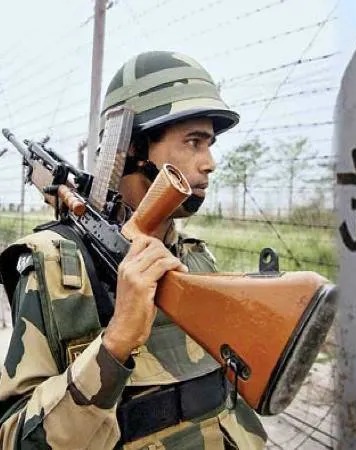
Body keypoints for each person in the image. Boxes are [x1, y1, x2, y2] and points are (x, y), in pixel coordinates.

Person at [0, 51, 267, 449]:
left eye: (209, 144)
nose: (210, 162)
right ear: (133, 148)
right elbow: (14, 439)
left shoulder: (195, 257)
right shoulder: (53, 264)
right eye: (194, 142)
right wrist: (115, 345)